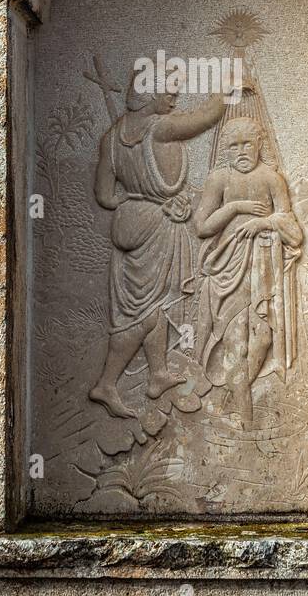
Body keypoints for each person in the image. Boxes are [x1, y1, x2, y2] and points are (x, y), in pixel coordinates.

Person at [89, 71, 224, 418]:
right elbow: (204, 119)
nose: (175, 99)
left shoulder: (110, 138)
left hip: (127, 224)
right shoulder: (159, 128)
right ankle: (106, 383)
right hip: (154, 229)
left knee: (153, 307)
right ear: (148, 94)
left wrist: (134, 199)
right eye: (169, 92)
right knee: (142, 314)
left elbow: (104, 196)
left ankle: (158, 374)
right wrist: (227, 90)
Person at [193, 116, 302, 425]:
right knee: (236, 341)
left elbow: (293, 230)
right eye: (233, 146)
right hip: (228, 271)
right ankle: (246, 419)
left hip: (263, 272)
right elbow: (201, 226)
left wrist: (263, 222)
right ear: (225, 151)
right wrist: (235, 207)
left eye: (247, 144)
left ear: (258, 146)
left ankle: (237, 389)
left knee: (264, 337)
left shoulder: (271, 178)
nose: (241, 151)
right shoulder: (219, 180)